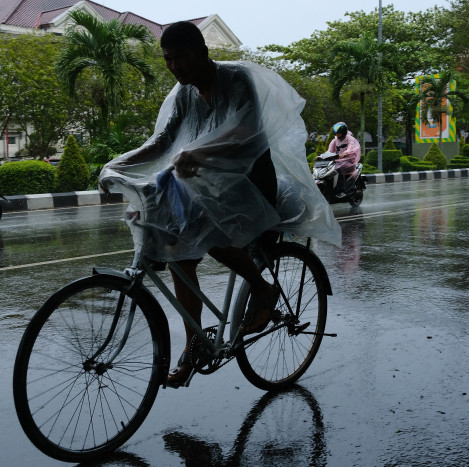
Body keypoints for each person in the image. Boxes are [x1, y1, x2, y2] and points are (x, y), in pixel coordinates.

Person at [99, 22, 340, 386]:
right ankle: (194, 345)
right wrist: (117, 164)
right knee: (179, 251)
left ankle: (261, 287)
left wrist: (199, 151)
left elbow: (249, 133)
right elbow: (164, 142)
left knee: (204, 232)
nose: (175, 66)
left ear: (203, 53)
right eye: (168, 59)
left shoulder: (237, 80)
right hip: (209, 184)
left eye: (181, 57)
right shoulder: (184, 95)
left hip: (253, 185)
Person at [327, 122, 361, 196]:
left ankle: (341, 191)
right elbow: (329, 151)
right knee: (328, 170)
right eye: (336, 133)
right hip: (338, 161)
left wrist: (345, 153)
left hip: (349, 161)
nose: (337, 135)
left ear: (343, 132)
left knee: (339, 169)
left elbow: (351, 148)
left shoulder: (350, 139)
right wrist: (321, 156)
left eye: (338, 133)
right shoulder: (334, 140)